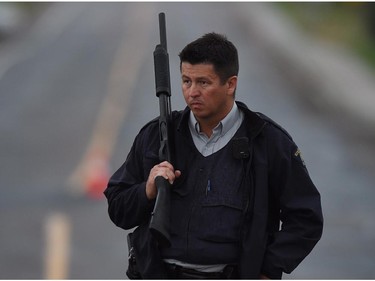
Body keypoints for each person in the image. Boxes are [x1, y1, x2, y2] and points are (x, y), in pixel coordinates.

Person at [104, 32, 323, 279]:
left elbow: (306, 218)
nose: (192, 92)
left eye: (203, 83)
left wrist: (268, 271)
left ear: (230, 84)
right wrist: (148, 190)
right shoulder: (156, 136)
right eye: (186, 81)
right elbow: (117, 206)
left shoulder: (268, 141)